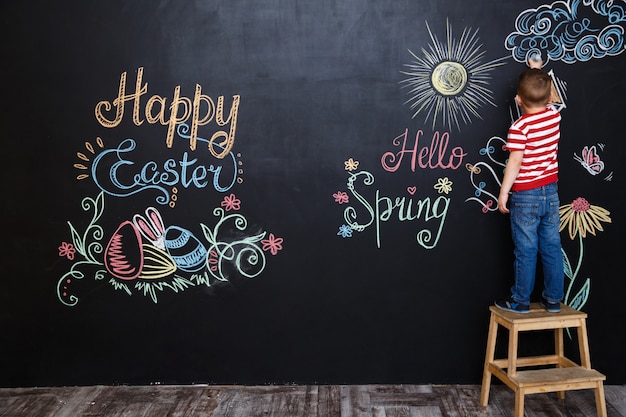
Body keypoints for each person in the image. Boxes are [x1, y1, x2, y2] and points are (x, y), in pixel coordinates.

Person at [495, 57, 564, 314]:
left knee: (526, 249)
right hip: (551, 193)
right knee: (551, 246)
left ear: (518, 100)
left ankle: (520, 300)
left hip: (525, 195)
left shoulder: (519, 127)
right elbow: (552, 97)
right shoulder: (554, 117)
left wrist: (504, 192)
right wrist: (538, 71)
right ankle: (553, 299)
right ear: (547, 100)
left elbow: (515, 162)